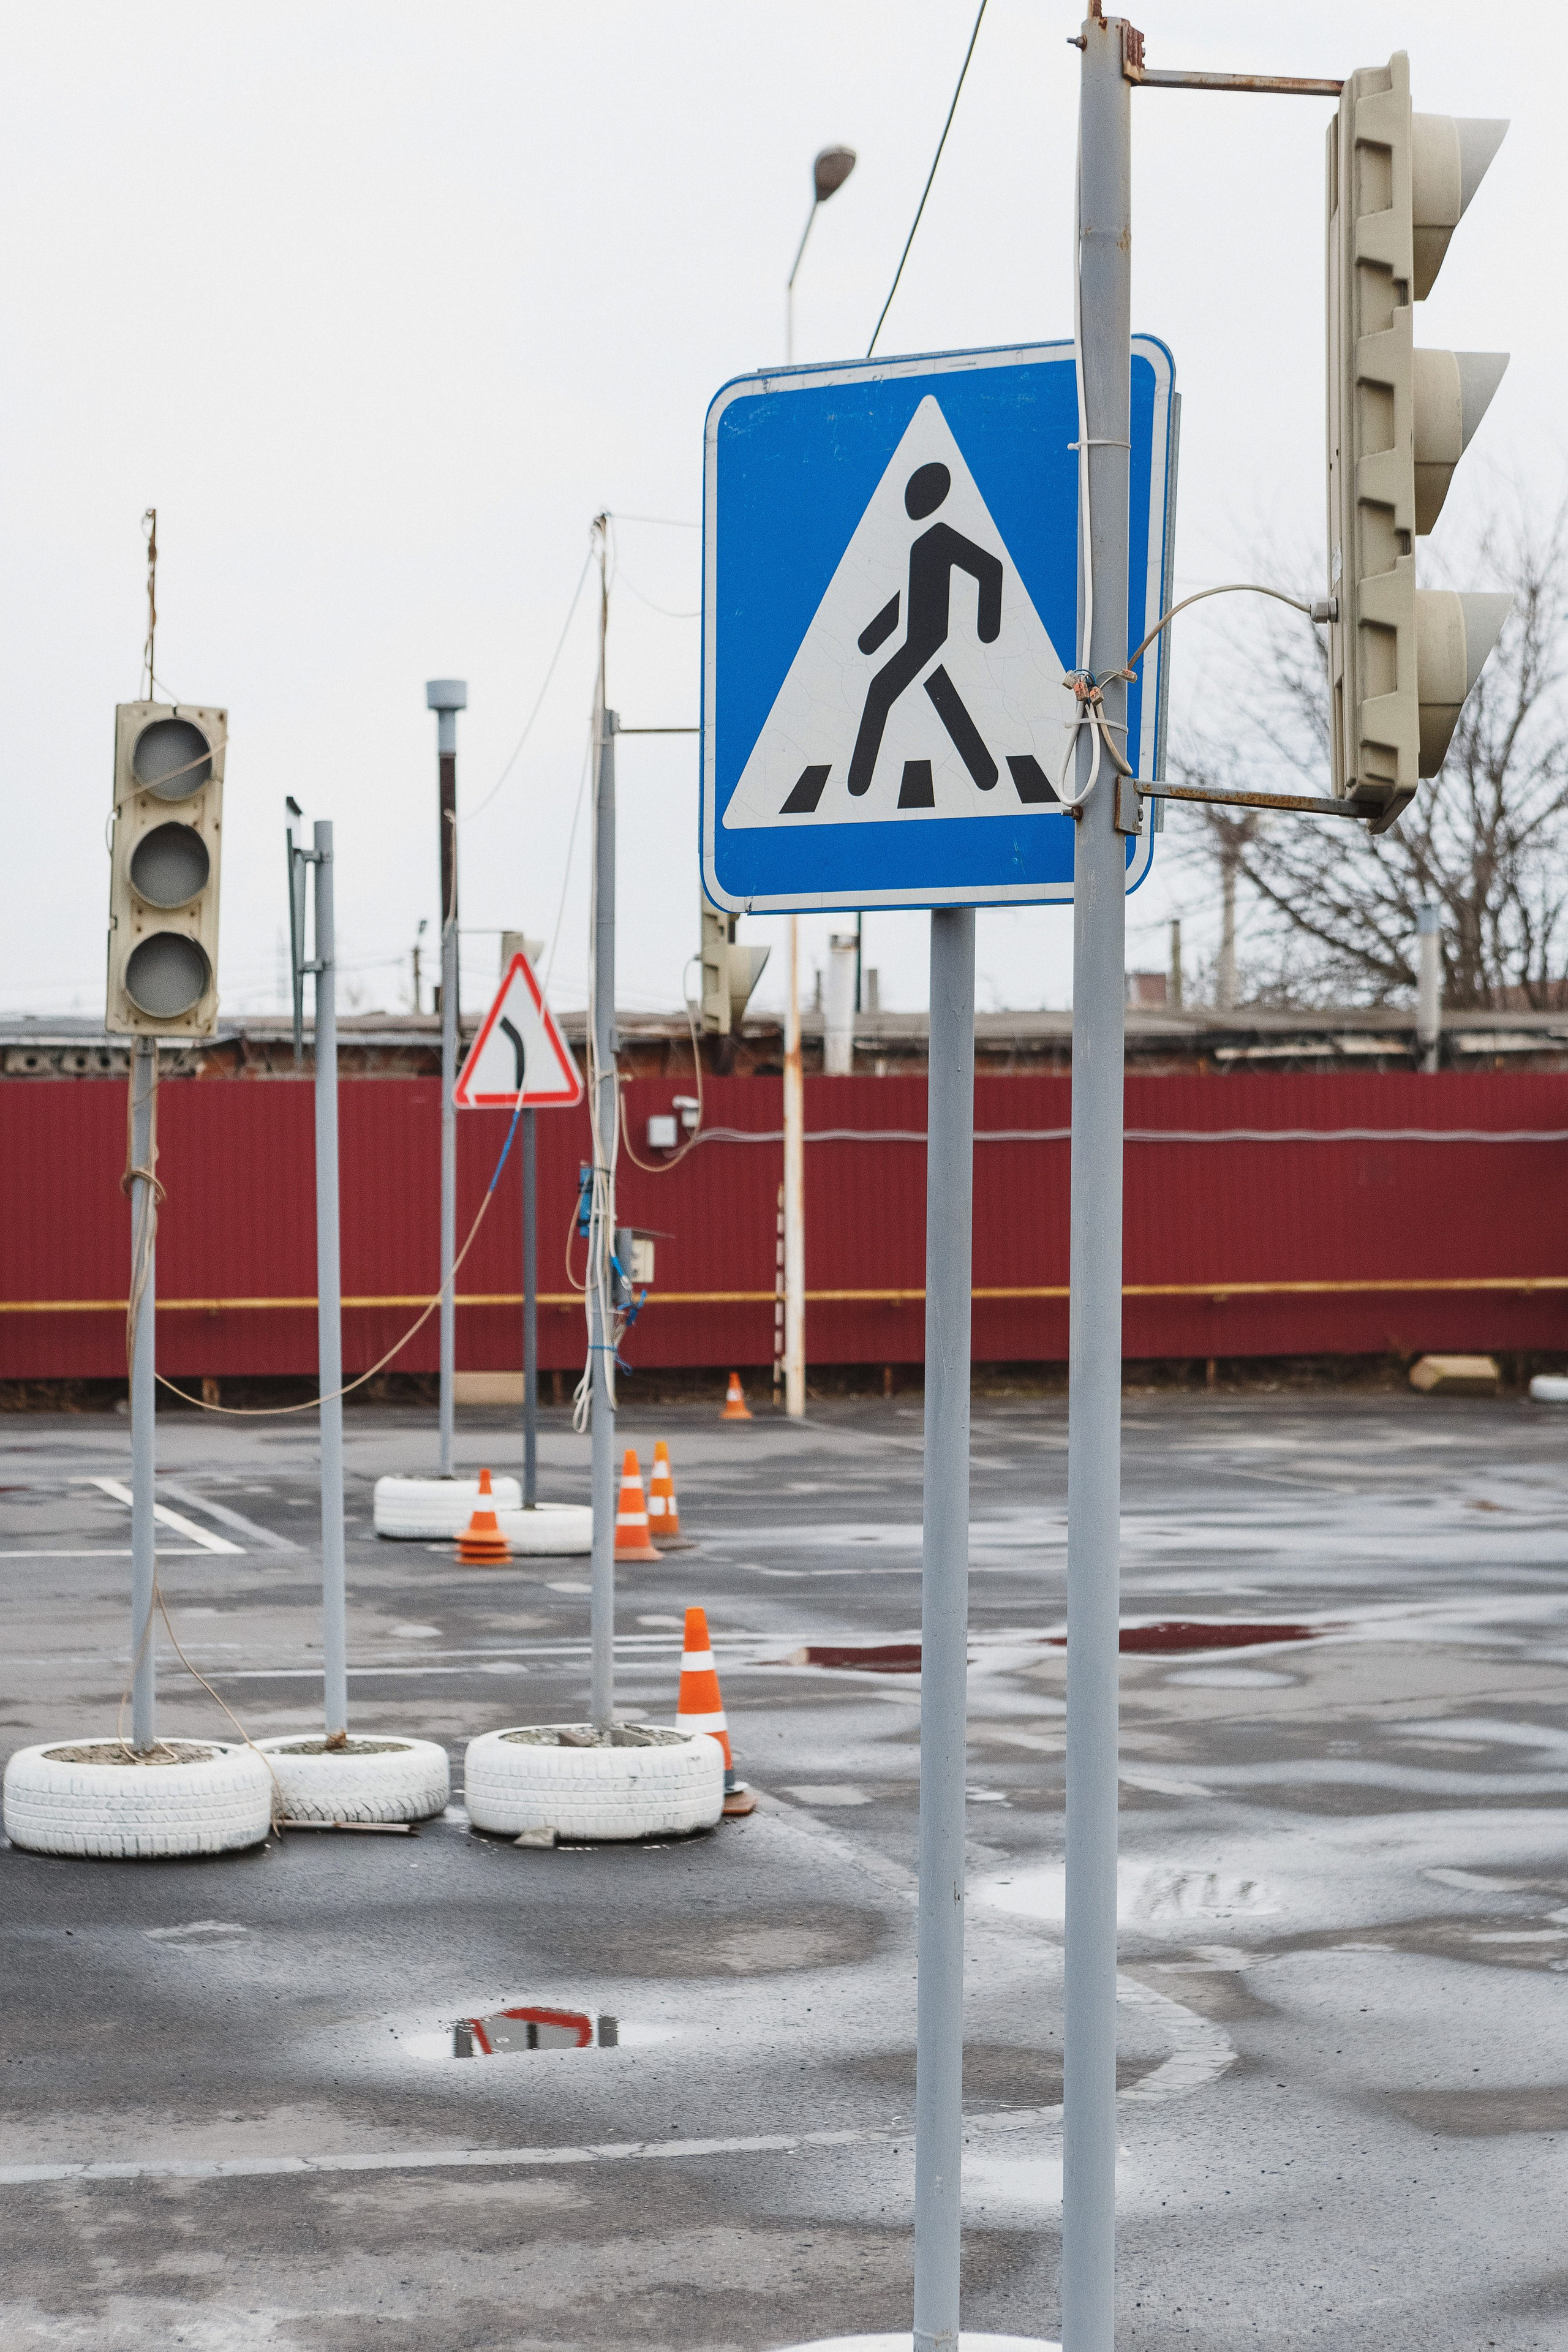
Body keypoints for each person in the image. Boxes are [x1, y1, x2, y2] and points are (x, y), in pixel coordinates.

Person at [847, 461, 1003, 798]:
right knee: (945, 699)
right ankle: (987, 776)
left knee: (879, 691)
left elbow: (990, 569)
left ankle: (856, 786)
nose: (909, 504)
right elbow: (906, 598)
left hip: (929, 639)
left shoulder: (942, 537)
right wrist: (872, 637)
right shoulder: (920, 544)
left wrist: (987, 627)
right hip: (919, 639)